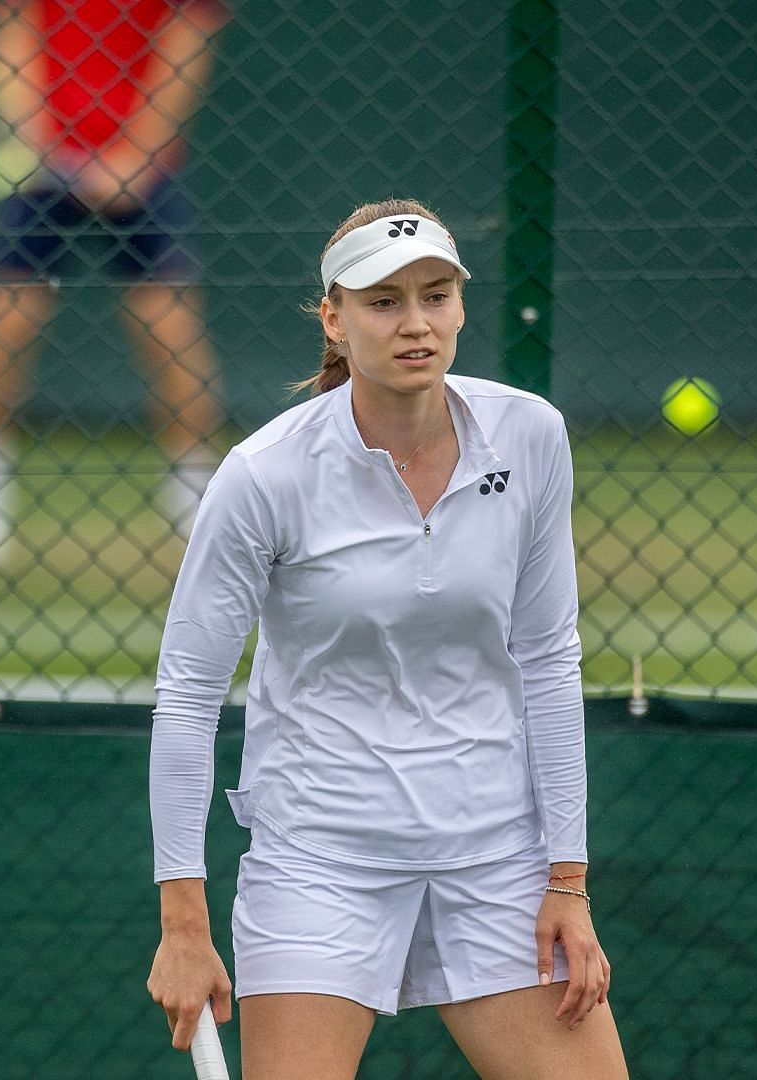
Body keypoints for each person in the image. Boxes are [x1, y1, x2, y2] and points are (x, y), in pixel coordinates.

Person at [144, 199, 629, 1078]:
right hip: (320, 859)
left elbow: (550, 659)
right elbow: (186, 693)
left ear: (461, 306)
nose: (416, 324)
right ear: (333, 318)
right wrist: (184, 924)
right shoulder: (264, 475)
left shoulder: (531, 434)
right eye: (383, 301)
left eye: (436, 295)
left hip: (498, 859)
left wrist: (568, 880)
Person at [0, 0, 229, 569]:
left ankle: (201, 495)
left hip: (145, 165)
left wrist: (134, 157)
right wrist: (42, 145)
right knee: (7, 316)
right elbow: (10, 35)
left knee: (168, 325)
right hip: (37, 164)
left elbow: (188, 42)